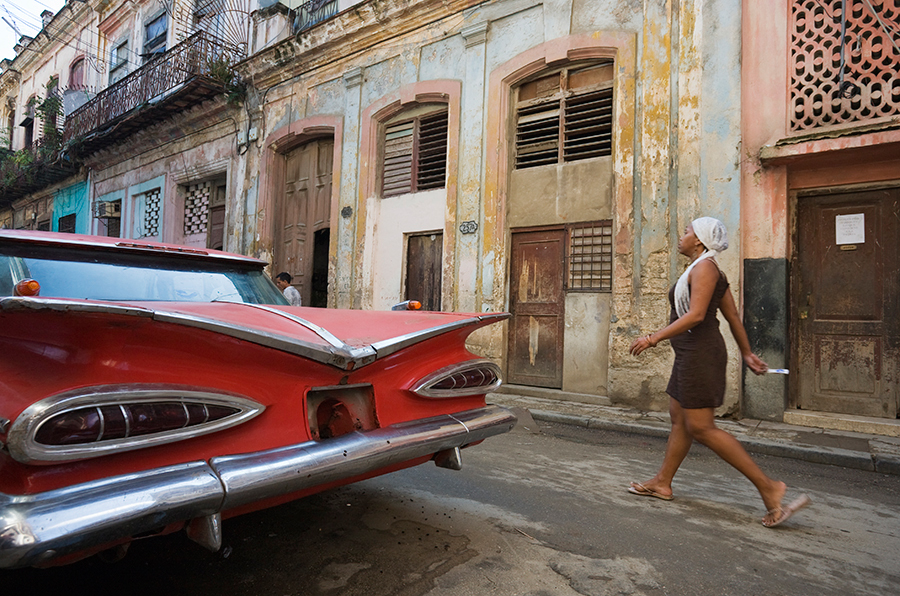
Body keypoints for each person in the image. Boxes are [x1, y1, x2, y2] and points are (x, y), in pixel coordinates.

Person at [627, 216, 810, 528]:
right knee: (679, 419)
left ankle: (769, 488)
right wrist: (747, 353)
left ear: (698, 240)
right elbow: (733, 315)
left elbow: (697, 315)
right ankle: (662, 481)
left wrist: (652, 338)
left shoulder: (706, 268)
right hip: (690, 355)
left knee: (702, 427)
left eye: (687, 231)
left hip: (700, 356)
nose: (682, 236)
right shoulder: (705, 269)